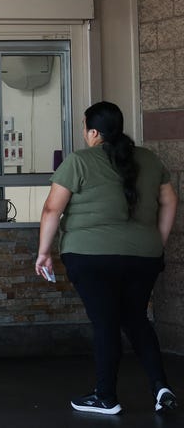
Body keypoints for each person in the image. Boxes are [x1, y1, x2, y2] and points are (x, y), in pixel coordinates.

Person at [35, 101, 179, 416]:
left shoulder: (79, 161)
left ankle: (105, 396)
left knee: (106, 323)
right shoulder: (150, 159)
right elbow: (169, 200)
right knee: (135, 318)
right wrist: (157, 240)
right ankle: (160, 386)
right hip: (144, 256)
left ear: (94, 132)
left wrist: (44, 252)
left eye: (85, 128)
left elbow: (51, 210)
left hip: (90, 255)